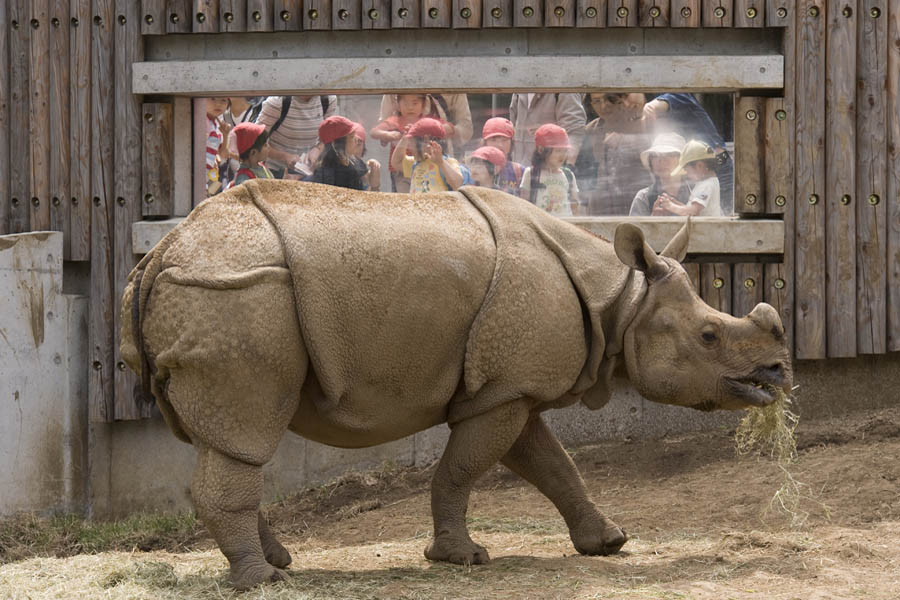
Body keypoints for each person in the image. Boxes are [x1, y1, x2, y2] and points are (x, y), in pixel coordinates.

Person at [642, 93, 733, 213]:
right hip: (696, 166)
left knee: (720, 215)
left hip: (716, 165)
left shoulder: (680, 97)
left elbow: (673, 97)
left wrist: (651, 106)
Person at [580, 92, 651, 215]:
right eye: (597, 101)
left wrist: (625, 140)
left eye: (608, 99)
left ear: (620, 99)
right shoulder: (591, 129)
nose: (603, 106)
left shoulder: (641, 122)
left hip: (636, 203)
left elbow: (657, 148)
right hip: (604, 205)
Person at [255, 95, 338, 179]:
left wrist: (318, 149)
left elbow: (329, 134)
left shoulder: (328, 100)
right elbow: (255, 141)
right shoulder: (277, 103)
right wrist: (284, 156)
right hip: (276, 172)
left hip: (308, 173)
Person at [390, 118, 470, 193]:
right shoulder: (416, 163)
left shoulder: (447, 162)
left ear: (426, 139)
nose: (409, 148)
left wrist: (441, 163)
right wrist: (404, 138)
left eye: (411, 143)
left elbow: (458, 184)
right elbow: (396, 162)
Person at [378, 93, 473, 158]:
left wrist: (446, 130)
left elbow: (466, 128)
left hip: (441, 161)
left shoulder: (452, 79)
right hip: (403, 165)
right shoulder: (398, 77)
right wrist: (397, 133)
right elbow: (382, 130)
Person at [370, 94, 431, 192]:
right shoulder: (395, 121)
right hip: (399, 169)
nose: (410, 107)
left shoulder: (426, 121)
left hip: (423, 166)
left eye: (415, 103)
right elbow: (374, 132)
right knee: (402, 197)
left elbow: (444, 128)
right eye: (405, 104)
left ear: (423, 105)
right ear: (398, 106)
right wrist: (389, 135)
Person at [508, 93, 586, 167]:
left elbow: (574, 130)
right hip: (520, 172)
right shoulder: (520, 86)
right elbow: (513, 128)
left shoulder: (563, 86)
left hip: (551, 174)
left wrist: (565, 170)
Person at [518, 124, 579, 216]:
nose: (562, 156)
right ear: (541, 150)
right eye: (558, 151)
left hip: (565, 225)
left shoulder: (568, 174)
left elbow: (575, 205)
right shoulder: (531, 173)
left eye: (565, 150)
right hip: (541, 225)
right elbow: (524, 205)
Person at [629, 133, 691, 216]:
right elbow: (632, 229)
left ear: (682, 160)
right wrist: (653, 220)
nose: (661, 161)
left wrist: (689, 215)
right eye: (655, 156)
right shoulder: (643, 197)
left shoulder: (698, 192)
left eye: (669, 155)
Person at [656, 139, 721, 216]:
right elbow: (693, 210)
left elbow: (692, 212)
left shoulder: (706, 185)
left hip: (705, 228)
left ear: (699, 166)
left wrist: (670, 206)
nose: (687, 174)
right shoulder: (710, 182)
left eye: (687, 170)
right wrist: (675, 203)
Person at [308, 116, 370, 191]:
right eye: (352, 137)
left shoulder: (353, 163)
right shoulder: (331, 173)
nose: (356, 140)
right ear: (336, 145)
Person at [481, 117, 524, 195]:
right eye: (493, 140)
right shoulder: (474, 170)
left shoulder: (519, 171)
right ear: (485, 143)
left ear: (512, 142)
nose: (500, 145)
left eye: (504, 140)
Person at [227, 122, 274, 189]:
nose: (269, 147)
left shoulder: (262, 167)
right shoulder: (244, 178)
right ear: (253, 152)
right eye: (265, 145)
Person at [205, 97, 230, 195]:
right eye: (213, 99)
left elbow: (223, 154)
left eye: (223, 100)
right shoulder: (202, 121)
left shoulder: (217, 123)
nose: (218, 104)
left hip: (210, 175)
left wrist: (225, 135)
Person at [348, 122, 381, 192]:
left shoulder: (360, 166)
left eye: (358, 144)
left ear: (363, 147)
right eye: (351, 143)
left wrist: (374, 170)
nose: (354, 148)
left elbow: (374, 190)